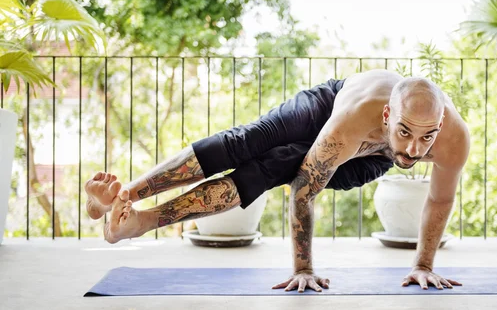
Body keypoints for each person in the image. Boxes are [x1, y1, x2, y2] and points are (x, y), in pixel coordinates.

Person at [85, 69, 470, 292]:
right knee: (251, 143)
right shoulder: (352, 120)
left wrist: (423, 264)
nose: (416, 150)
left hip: (373, 154)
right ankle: (125, 195)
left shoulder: (453, 139)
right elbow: (305, 188)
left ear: (440, 125)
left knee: (271, 168)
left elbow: (439, 200)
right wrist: (303, 268)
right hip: (329, 107)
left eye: (427, 137)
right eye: (405, 132)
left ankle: (139, 223)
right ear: (387, 115)